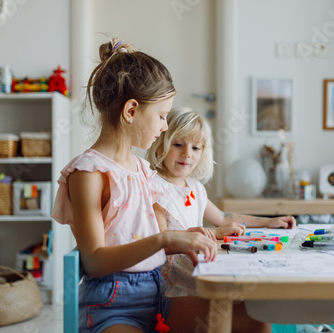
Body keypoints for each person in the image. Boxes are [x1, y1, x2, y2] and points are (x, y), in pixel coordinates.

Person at [52, 38, 268, 333]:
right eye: (163, 116)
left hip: (156, 293)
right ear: (131, 111)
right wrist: (166, 240)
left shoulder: (140, 168)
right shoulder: (89, 172)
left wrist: (185, 236)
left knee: (254, 318)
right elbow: (95, 261)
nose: (165, 126)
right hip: (114, 305)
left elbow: (141, 234)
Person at [147, 107, 296, 297]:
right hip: (174, 286)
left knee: (255, 296)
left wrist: (267, 221)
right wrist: (215, 233)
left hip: (201, 269)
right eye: (178, 144)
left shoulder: (195, 188)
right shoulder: (154, 187)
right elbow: (161, 242)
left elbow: (223, 217)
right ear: (160, 145)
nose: (187, 153)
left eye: (195, 147)